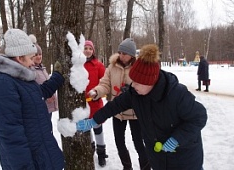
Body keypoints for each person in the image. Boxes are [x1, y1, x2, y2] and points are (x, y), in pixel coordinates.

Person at [77, 44, 208, 170]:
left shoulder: (176, 94)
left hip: (185, 160)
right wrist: (94, 120)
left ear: (150, 82)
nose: (133, 86)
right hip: (158, 159)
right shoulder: (135, 93)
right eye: (133, 82)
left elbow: (199, 117)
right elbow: (115, 105)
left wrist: (177, 138)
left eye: (138, 83)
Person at [0, 29, 65, 169]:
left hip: (41, 153)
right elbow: (12, 135)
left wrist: (57, 76)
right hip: (28, 160)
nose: (33, 63)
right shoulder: (3, 84)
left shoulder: (22, 78)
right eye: (30, 58)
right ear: (19, 58)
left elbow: (38, 94)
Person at [88, 38, 150, 170]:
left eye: (125, 53)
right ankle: (127, 167)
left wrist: (130, 90)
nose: (121, 56)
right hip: (117, 112)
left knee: (139, 143)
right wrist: (96, 91)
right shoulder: (112, 67)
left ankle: (145, 167)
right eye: (120, 52)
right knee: (119, 142)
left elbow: (144, 86)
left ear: (132, 55)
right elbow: (105, 84)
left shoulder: (138, 67)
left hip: (135, 113)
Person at [83, 40, 108, 167]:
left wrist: (97, 94)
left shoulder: (98, 65)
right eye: (85, 48)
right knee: (87, 129)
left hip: (95, 103)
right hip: (83, 106)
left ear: (93, 51)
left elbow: (104, 83)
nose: (87, 50)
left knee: (98, 129)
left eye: (90, 48)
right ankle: (90, 149)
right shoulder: (78, 65)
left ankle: (101, 153)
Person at [29, 34, 58, 119]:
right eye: (36, 55)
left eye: (40, 54)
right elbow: (34, 89)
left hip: (49, 106)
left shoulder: (42, 68)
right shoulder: (31, 70)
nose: (39, 57)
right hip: (41, 106)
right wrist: (45, 97)